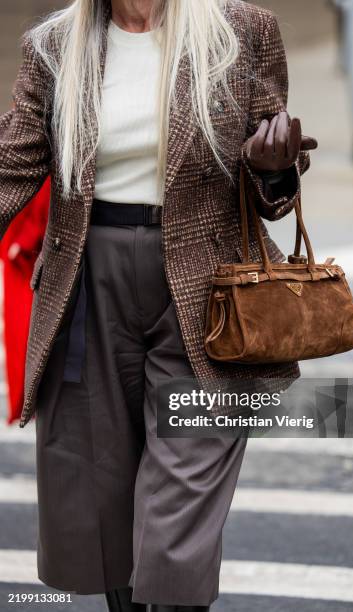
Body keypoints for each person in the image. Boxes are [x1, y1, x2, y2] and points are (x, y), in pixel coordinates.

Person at [0, 0, 317, 610]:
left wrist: (275, 171)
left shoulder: (244, 31)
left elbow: (275, 192)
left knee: (183, 492)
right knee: (104, 491)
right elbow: (13, 166)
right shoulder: (53, 45)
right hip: (87, 287)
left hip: (210, 293)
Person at [0, 177, 50, 425]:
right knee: (17, 328)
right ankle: (23, 400)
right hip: (17, 245)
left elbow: (45, 185)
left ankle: (29, 397)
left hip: (29, 250)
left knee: (26, 327)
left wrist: (26, 237)